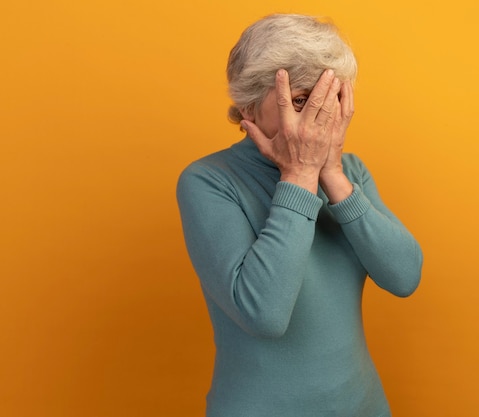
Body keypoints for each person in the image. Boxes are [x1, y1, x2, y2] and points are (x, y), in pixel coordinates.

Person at [176, 13, 423, 417]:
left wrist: (332, 174)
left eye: (332, 99)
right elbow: (265, 314)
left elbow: (405, 277)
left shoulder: (351, 172)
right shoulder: (208, 181)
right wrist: (299, 173)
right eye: (301, 101)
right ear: (248, 108)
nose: (320, 117)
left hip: (363, 406)